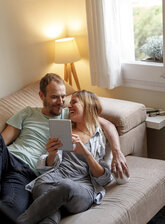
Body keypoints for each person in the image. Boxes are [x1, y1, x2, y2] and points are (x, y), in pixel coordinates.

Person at [0, 73, 129, 218]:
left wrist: (117, 152)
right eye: (55, 97)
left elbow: (107, 124)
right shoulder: (27, 112)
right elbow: (3, 141)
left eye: (63, 96)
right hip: (8, 157)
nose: (61, 102)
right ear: (41, 96)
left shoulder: (70, 114)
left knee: (11, 209)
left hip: (25, 172)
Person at [17, 90, 116, 224]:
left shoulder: (100, 136)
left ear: (88, 105)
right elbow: (44, 167)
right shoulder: (64, 130)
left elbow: (104, 178)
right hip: (49, 181)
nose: (69, 106)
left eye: (74, 102)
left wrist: (86, 154)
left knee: (66, 186)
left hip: (82, 188)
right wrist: (51, 154)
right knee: (51, 216)